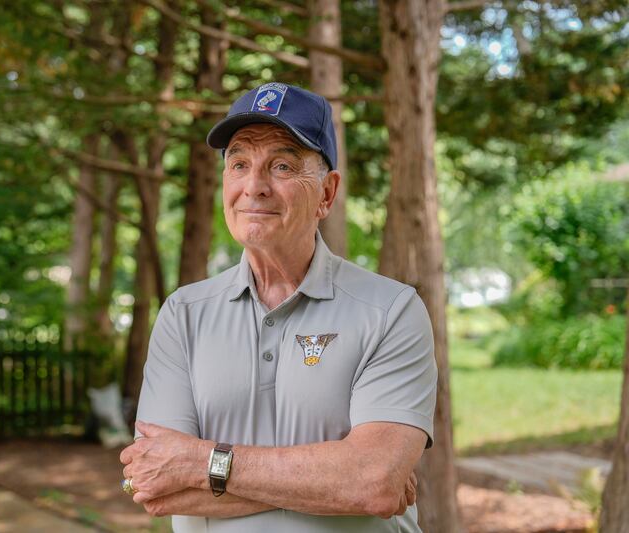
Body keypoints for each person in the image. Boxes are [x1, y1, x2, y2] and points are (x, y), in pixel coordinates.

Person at [119, 82, 438, 532]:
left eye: (282, 165)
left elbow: (374, 482)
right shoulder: (183, 314)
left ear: (327, 193)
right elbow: (155, 485)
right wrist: (336, 482)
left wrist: (199, 463)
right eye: (240, 163)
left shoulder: (391, 310)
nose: (255, 186)